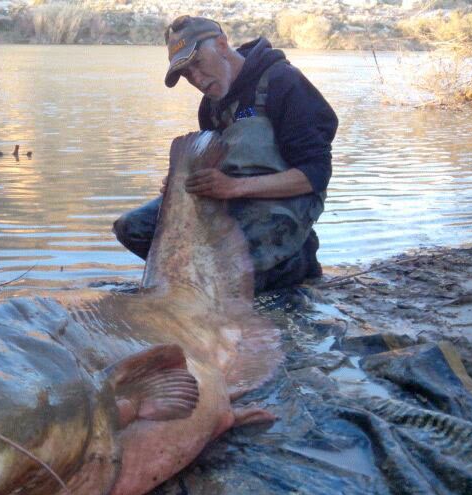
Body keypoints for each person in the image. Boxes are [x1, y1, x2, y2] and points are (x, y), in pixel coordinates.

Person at [113, 15, 338, 293]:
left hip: (286, 202)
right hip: (232, 199)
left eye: (197, 63)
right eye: (186, 74)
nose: (196, 79)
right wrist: (180, 187)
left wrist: (235, 187)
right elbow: (213, 164)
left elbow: (316, 175)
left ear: (221, 45)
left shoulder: (284, 82)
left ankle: (296, 261)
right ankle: (200, 283)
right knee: (132, 228)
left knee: (228, 270)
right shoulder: (209, 107)